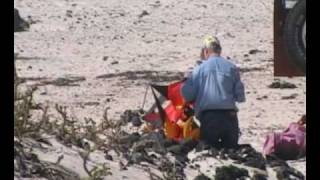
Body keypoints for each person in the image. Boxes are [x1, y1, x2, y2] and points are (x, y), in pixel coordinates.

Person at [181, 35, 245, 148]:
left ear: (205, 51)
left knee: (210, 153)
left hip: (209, 118)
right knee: (232, 154)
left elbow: (187, 95)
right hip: (230, 117)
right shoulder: (232, 68)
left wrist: (186, 80)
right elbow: (240, 97)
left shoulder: (198, 70)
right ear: (219, 50)